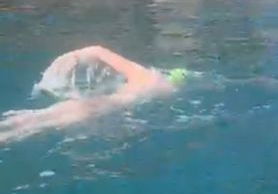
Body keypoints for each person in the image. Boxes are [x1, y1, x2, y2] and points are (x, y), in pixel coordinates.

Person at [0, 45, 182, 145]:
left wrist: (79, 54)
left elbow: (99, 50)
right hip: (100, 109)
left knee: (32, 118)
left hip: (96, 104)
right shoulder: (161, 90)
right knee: (34, 127)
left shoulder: (143, 76)